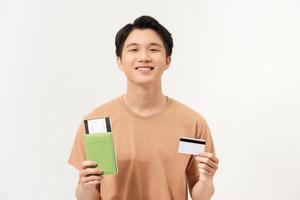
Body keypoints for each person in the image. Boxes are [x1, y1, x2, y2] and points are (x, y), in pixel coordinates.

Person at [68, 15, 219, 200]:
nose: (144, 57)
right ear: (119, 61)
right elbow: (87, 196)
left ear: (168, 61)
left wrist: (206, 180)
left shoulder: (192, 123)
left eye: (154, 49)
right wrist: (85, 186)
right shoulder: (95, 123)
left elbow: (200, 195)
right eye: (133, 49)